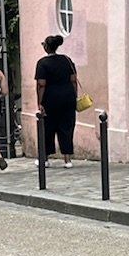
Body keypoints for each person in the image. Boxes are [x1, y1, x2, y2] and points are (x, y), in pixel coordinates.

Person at [34, 34, 80, 167]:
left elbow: (41, 84)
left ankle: (45, 158)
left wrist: (40, 102)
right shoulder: (67, 60)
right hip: (67, 97)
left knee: (48, 128)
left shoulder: (42, 63)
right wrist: (74, 96)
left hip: (50, 99)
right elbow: (73, 80)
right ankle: (67, 159)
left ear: (46, 47)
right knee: (66, 127)